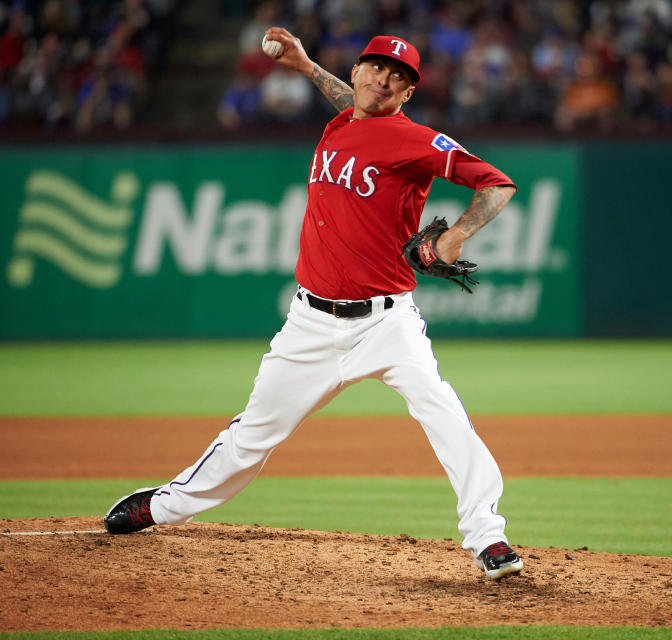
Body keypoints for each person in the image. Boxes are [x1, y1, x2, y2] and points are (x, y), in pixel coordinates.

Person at [103, 28, 523, 580]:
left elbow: (497, 184)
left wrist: (458, 234)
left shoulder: (418, 141)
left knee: (442, 410)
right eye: (375, 67)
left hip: (386, 321)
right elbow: (356, 105)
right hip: (309, 324)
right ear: (356, 72)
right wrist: (303, 67)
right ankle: (161, 506)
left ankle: (488, 537)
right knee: (252, 435)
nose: (384, 79)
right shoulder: (343, 119)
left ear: (409, 93)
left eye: (399, 76)